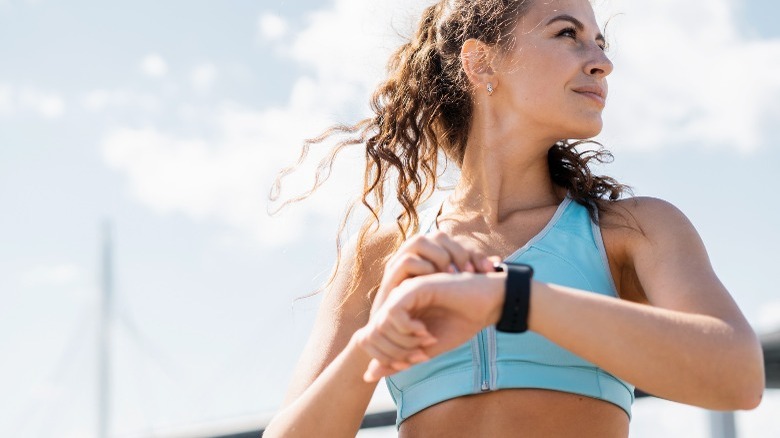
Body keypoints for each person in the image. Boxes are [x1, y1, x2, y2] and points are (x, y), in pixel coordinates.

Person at [264, 0, 765, 436]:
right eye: (568, 34)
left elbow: (738, 377)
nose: (603, 62)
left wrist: (509, 296)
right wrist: (369, 349)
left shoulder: (635, 229)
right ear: (482, 62)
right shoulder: (383, 255)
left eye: (600, 41)